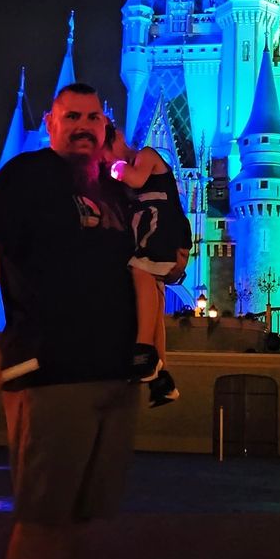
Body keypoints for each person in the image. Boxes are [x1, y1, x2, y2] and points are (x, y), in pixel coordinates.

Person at [0, 82, 140, 559]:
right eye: (72, 117)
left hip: (109, 374)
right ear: (50, 121)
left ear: (106, 124)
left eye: (94, 118)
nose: (83, 126)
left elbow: (153, 256)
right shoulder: (25, 176)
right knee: (41, 522)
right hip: (48, 371)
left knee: (73, 523)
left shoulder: (112, 189)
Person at [106, 126, 192, 408]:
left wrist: (112, 166)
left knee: (141, 271)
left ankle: (143, 351)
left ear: (117, 139)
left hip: (161, 232)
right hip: (155, 232)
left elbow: (135, 178)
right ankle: (161, 378)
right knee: (154, 297)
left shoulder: (145, 154)